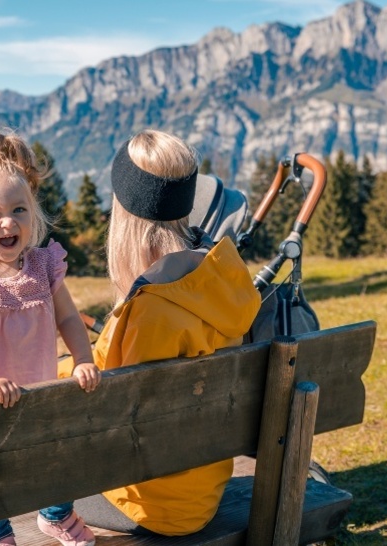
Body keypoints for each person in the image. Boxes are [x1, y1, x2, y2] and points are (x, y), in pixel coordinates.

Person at [72, 130, 261, 536]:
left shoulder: (150, 309)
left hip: (148, 506)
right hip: (202, 495)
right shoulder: (222, 278)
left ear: (123, 212)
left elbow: (116, 421)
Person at [0, 132, 101, 546]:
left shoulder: (44, 266)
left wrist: (82, 358)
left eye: (19, 210)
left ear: (33, 214)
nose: (8, 221)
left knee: (51, 452)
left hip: (35, 387)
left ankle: (55, 514)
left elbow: (68, 316)